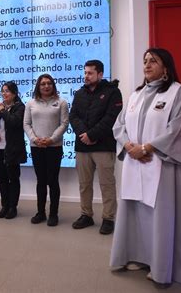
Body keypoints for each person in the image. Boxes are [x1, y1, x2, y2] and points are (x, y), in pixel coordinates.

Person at [110, 48, 181, 286]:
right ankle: (137, 256)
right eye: (145, 61)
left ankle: (160, 264)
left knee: (159, 217)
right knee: (134, 211)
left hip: (162, 167)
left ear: (166, 67)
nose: (147, 65)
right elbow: (119, 125)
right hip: (134, 163)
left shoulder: (180, 94)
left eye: (153, 61)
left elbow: (178, 130)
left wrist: (147, 148)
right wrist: (129, 146)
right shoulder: (136, 95)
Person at [69, 60, 123, 235]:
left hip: (104, 146)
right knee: (84, 184)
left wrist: (92, 135)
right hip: (82, 146)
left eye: (90, 73)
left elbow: (111, 118)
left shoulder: (113, 92)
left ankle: (108, 218)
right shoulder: (79, 93)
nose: (86, 76)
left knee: (107, 184)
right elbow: (73, 116)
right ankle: (86, 215)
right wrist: (84, 134)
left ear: (100, 74)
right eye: (85, 72)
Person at [23, 73, 69, 226]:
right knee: (41, 181)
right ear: (38, 86)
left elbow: (64, 124)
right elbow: (26, 124)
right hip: (37, 147)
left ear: (53, 85)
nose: (46, 86)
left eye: (49, 83)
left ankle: (53, 214)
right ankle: (40, 212)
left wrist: (51, 139)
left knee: (53, 181)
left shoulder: (61, 102)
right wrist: (35, 139)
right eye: (43, 84)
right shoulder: (30, 103)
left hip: (54, 147)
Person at [0, 82, 26, 219]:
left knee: (13, 179)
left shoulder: (20, 107)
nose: (4, 94)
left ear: (14, 93)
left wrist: (3, 112)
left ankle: (12, 207)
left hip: (12, 149)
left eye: (7, 91)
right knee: (2, 179)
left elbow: (14, 122)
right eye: (2, 91)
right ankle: (4, 206)